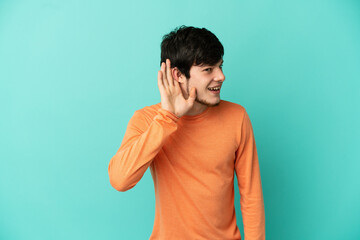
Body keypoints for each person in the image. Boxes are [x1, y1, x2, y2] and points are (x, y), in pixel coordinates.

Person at [108, 25, 265, 240]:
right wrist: (167, 118)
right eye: (208, 69)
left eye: (220, 66)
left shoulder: (237, 117)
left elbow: (251, 196)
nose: (221, 76)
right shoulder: (148, 120)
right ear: (178, 75)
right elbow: (120, 180)